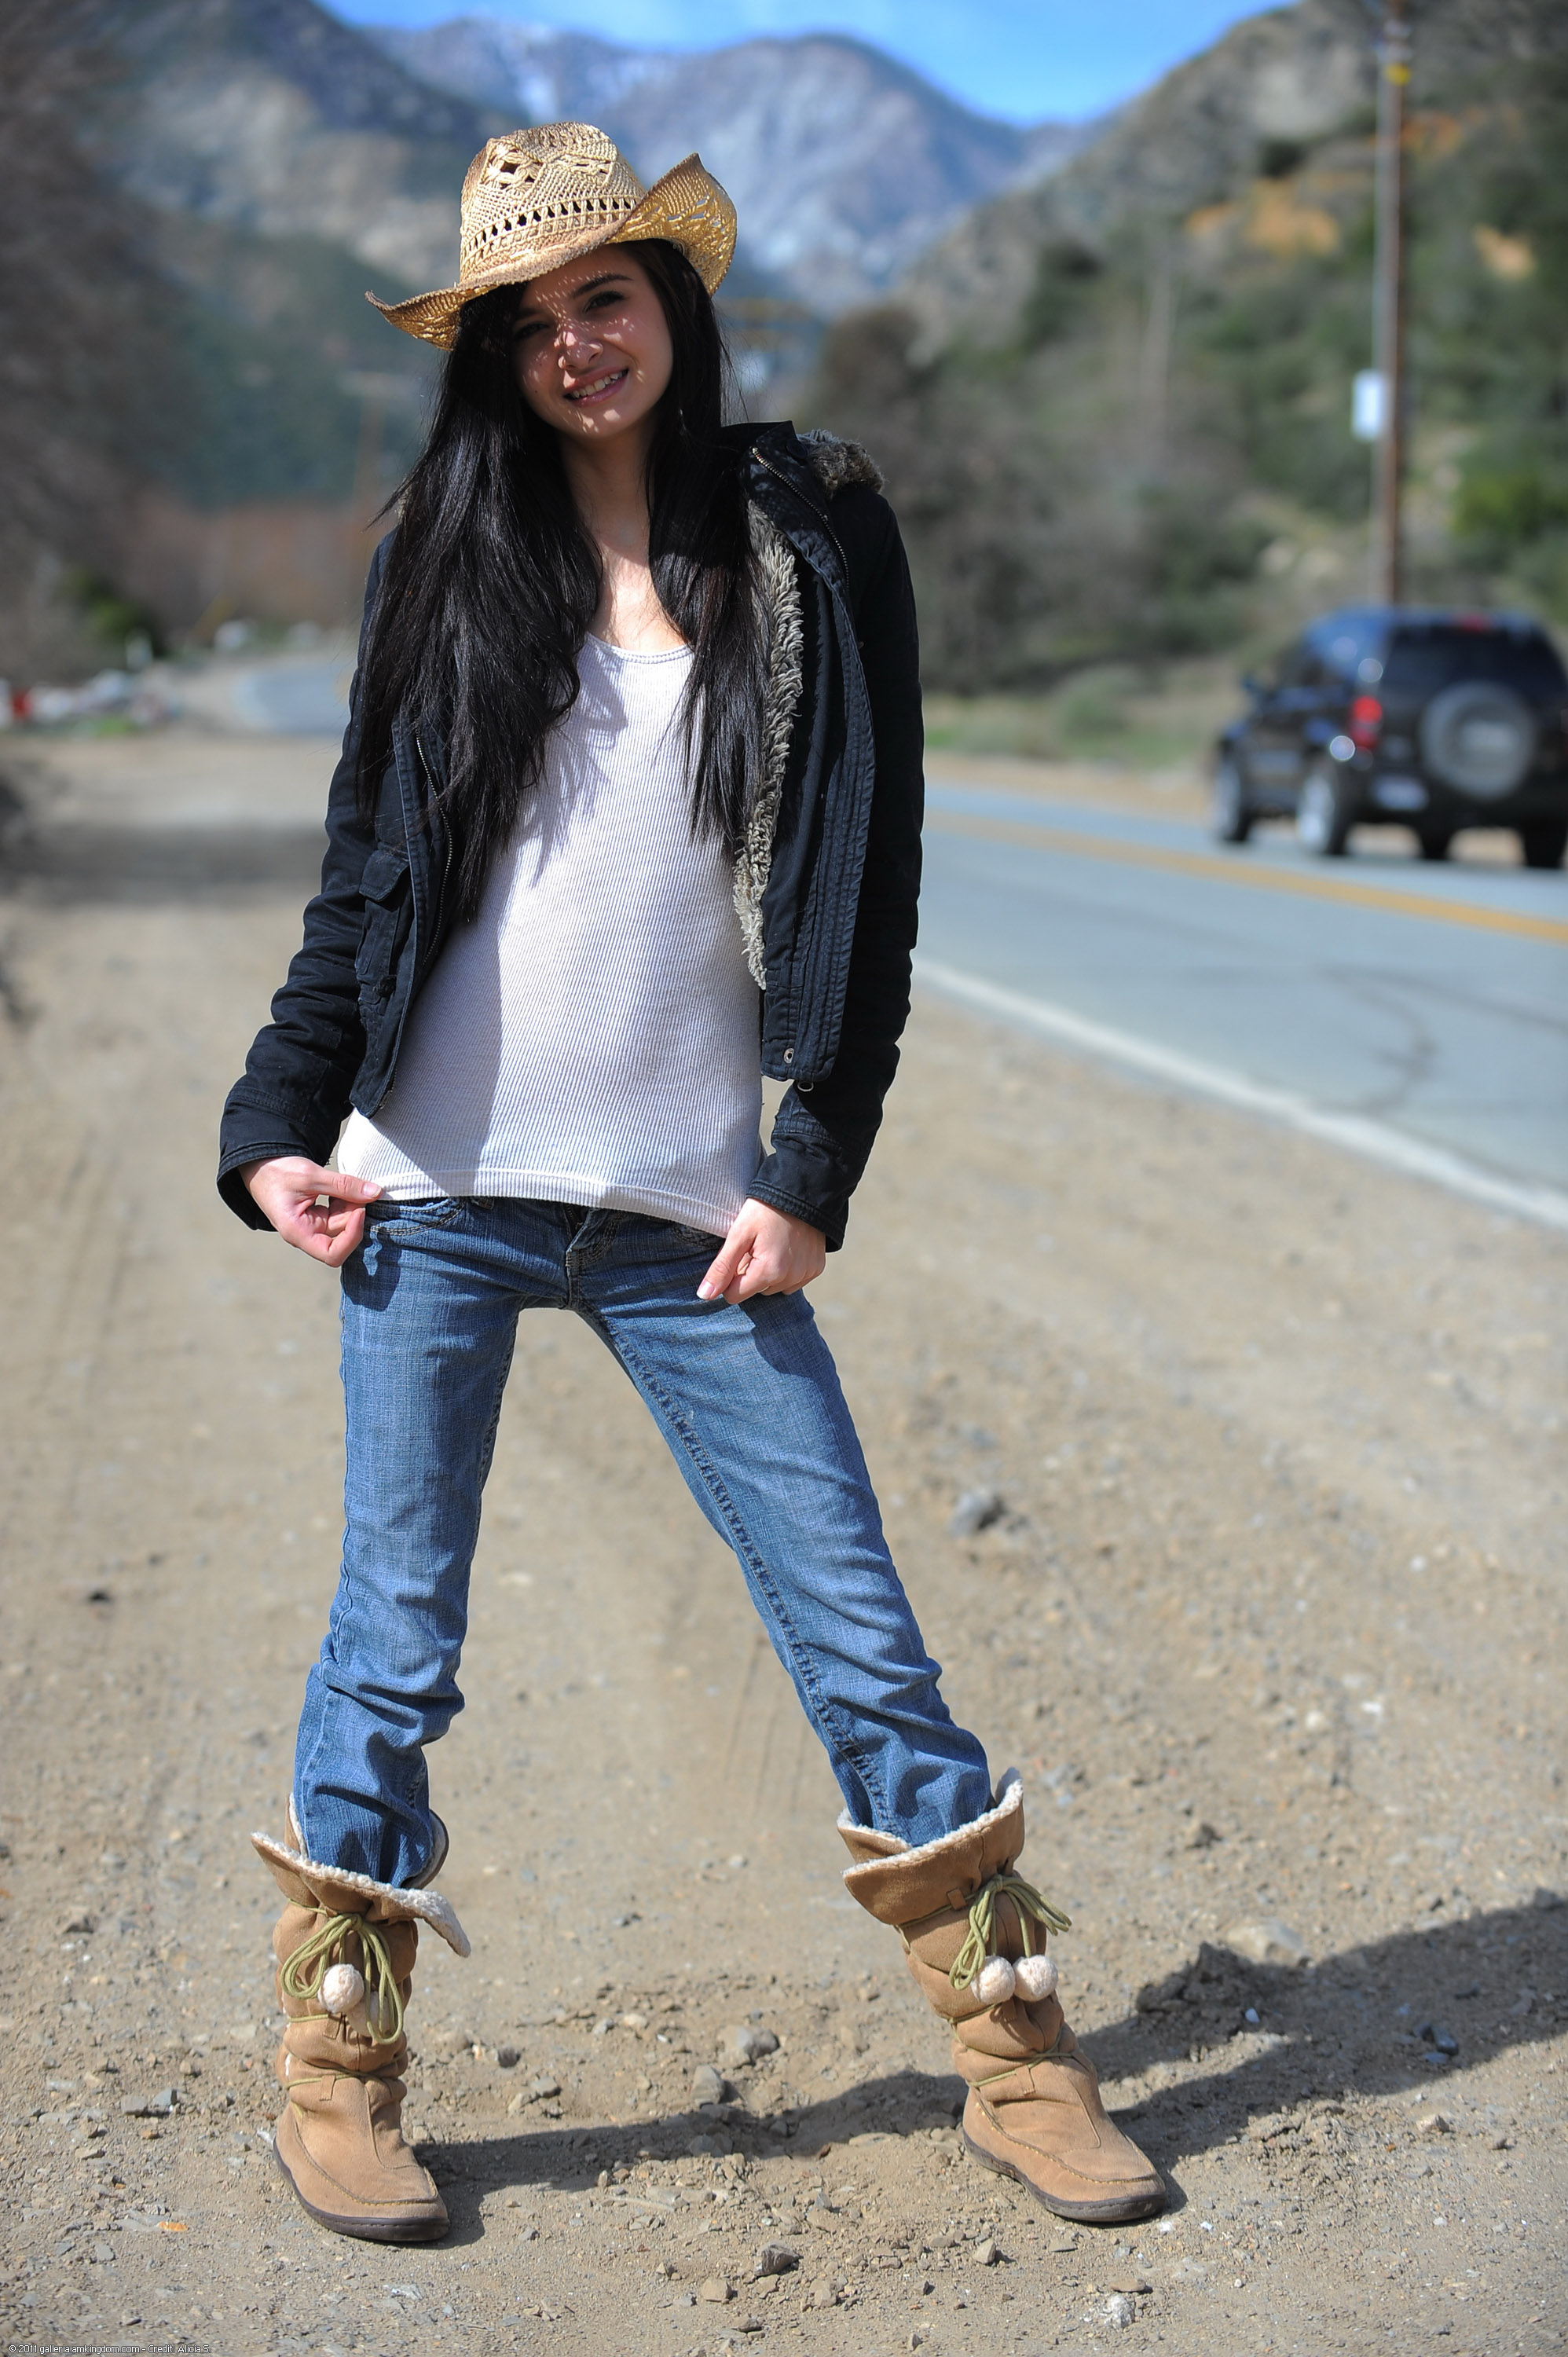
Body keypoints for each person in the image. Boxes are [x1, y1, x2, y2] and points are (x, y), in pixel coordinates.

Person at [218, 121, 1163, 2245]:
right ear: (490, 356)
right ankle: (339, 2072)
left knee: (859, 1633)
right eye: (532, 320)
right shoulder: (444, 552)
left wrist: (815, 1159)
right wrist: (274, 1122)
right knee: (395, 1639)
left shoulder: (807, 529)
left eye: (609, 296)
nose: (579, 342)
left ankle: (1019, 2060)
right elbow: (366, 875)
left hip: (689, 1212)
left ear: (673, 303)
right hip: (433, 1184)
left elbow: (871, 875)